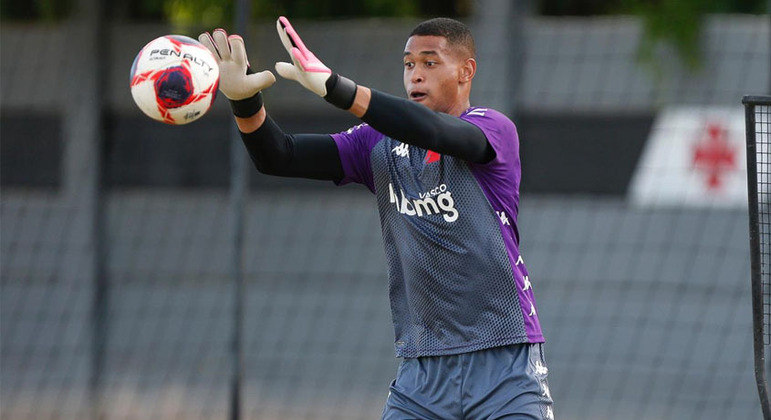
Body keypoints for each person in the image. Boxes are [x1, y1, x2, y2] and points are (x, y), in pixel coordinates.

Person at [199, 16, 554, 420]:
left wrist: (337, 89)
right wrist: (243, 101)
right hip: (421, 373)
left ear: (466, 71)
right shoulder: (376, 144)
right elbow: (278, 156)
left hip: (503, 363)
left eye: (430, 63)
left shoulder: (493, 129)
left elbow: (436, 133)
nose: (415, 75)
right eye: (408, 65)